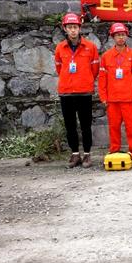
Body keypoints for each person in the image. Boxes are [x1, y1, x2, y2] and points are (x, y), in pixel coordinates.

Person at [54, 12, 99, 168]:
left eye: (75, 27)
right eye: (70, 27)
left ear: (80, 28)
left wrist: (84, 79)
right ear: (65, 29)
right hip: (66, 92)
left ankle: (87, 154)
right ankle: (75, 154)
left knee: (86, 125)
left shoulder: (90, 47)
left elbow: (94, 69)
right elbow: (59, 68)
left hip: (84, 91)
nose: (73, 30)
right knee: (70, 125)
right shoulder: (60, 47)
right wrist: (68, 80)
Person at [98, 22, 132, 165]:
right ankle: (114, 151)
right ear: (113, 37)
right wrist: (103, 97)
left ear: (126, 36)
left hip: (129, 99)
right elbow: (102, 79)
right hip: (112, 99)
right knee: (114, 127)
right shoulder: (106, 56)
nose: (120, 37)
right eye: (118, 35)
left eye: (123, 35)